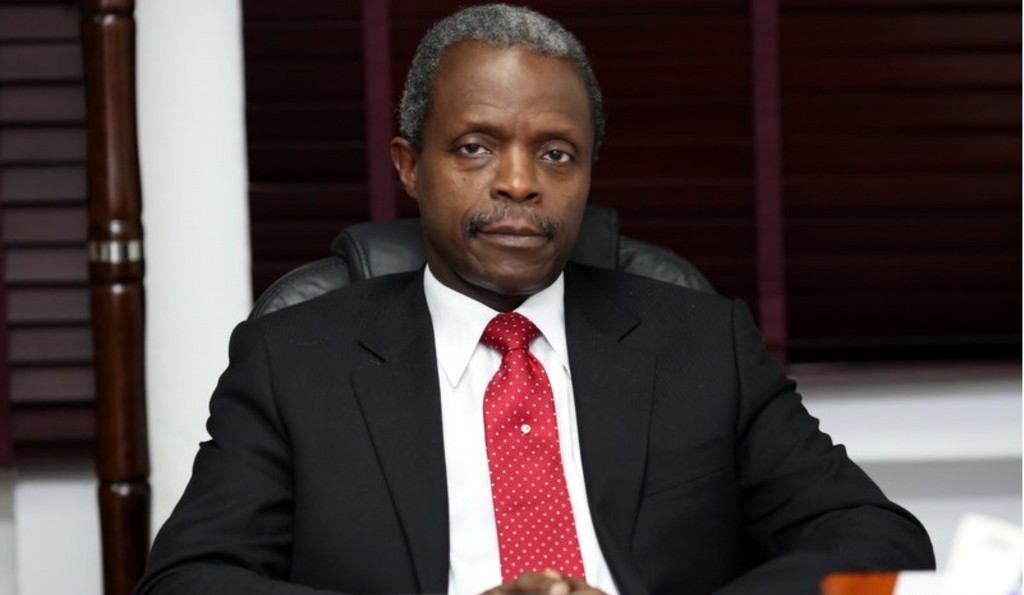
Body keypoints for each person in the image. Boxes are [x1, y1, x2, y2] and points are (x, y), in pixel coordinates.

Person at [134, 4, 934, 595]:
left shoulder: (702, 345)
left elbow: (880, 541)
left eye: (556, 153)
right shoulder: (296, 362)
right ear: (409, 166)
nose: (519, 182)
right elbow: (188, 579)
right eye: (476, 147)